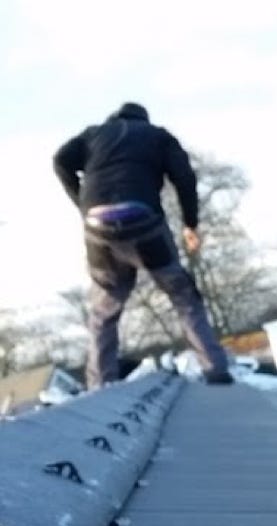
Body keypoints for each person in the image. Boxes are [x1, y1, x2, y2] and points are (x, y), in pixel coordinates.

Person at [53, 102, 233, 388]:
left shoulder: (93, 135)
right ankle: (215, 369)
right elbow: (185, 177)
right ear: (144, 120)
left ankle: (99, 385)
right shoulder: (157, 136)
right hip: (144, 224)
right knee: (184, 296)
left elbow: (60, 160)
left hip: (98, 229)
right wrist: (190, 224)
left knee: (103, 311)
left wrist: (84, 204)